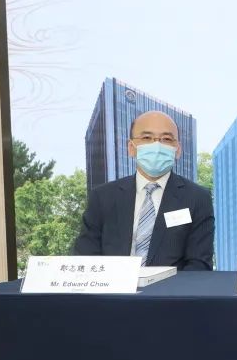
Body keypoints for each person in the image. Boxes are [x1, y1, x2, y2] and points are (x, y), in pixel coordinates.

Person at [73, 110, 214, 270]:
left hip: (172, 286)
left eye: (166, 139)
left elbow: (199, 264)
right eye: (147, 138)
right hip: (113, 285)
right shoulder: (103, 197)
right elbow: (85, 257)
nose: (157, 145)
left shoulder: (197, 198)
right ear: (131, 147)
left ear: (178, 149)